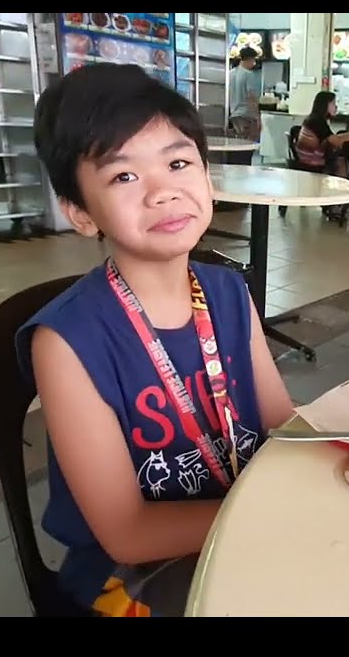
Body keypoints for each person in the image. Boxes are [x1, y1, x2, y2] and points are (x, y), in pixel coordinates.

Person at [19, 62, 295, 617]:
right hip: (130, 576)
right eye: (124, 176)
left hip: (248, 523)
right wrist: (281, 511)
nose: (163, 192)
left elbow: (283, 425)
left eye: (177, 162)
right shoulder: (66, 341)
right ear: (79, 212)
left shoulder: (227, 292)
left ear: (207, 176)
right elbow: (128, 533)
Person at [226, 46, 261, 141]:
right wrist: (258, 117)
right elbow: (251, 97)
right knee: (248, 143)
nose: (254, 63)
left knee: (239, 142)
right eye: (253, 60)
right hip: (247, 115)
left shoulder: (230, 73)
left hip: (234, 114)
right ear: (249, 59)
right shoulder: (249, 74)